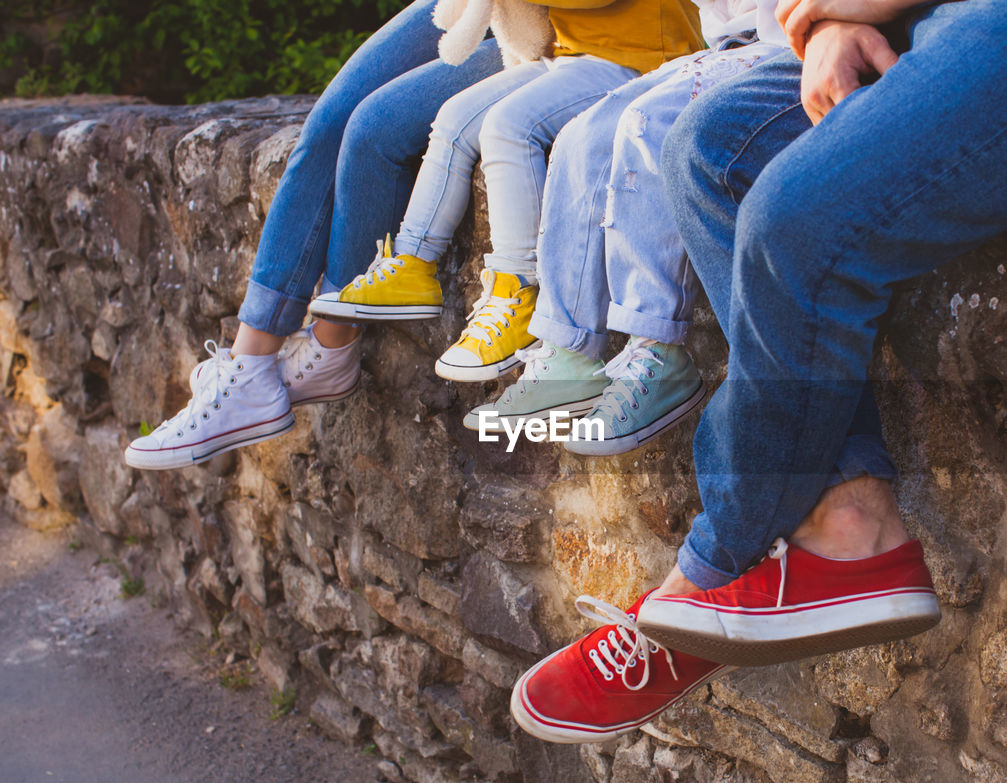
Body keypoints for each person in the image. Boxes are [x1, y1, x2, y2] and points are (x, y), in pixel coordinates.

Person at [509, 0, 1007, 742]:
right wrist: (836, 17)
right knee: (713, 149)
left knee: (797, 222)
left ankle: (703, 581)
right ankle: (850, 513)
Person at [124, 1, 506, 470]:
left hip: (570, 26)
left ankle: (331, 344)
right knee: (329, 122)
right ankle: (250, 362)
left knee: (373, 130)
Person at [306, 0, 704, 384]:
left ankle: (515, 293)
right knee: (453, 117)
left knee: (509, 127)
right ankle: (413, 262)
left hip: (639, 58)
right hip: (571, 54)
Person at [462, 0, 788, 455]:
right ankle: (569, 352)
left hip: (789, 44)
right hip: (728, 43)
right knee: (582, 134)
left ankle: (657, 349)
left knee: (646, 123)